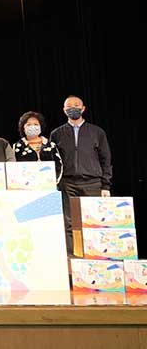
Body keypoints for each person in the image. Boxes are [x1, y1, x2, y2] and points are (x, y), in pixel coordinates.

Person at [50, 95, 113, 256]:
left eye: (76, 105)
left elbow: (106, 159)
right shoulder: (56, 134)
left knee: (94, 221)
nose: (73, 108)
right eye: (69, 106)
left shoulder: (97, 132)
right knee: (68, 222)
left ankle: (96, 255)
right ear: (64, 110)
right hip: (67, 183)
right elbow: (53, 161)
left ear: (83, 108)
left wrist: (106, 185)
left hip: (92, 183)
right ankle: (72, 256)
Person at [13, 111, 63, 183]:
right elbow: (14, 168)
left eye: (36, 124)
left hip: (48, 184)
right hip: (26, 185)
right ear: (23, 128)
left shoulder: (51, 145)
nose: (32, 127)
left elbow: (58, 165)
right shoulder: (17, 147)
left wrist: (54, 182)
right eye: (28, 125)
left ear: (40, 127)